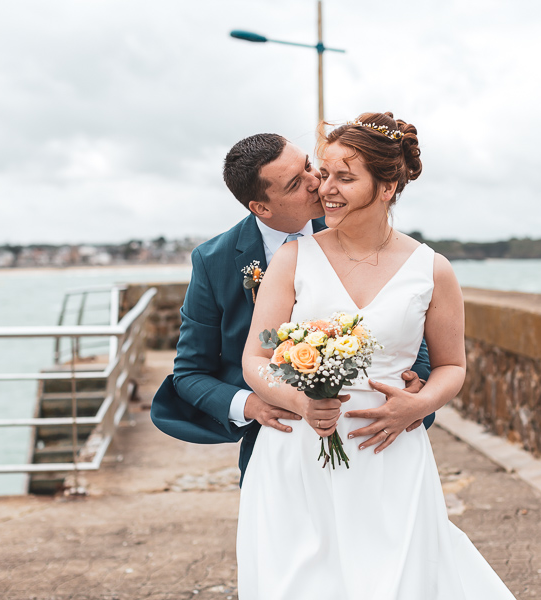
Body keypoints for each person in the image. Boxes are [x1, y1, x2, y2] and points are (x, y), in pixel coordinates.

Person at [239, 113, 516, 598]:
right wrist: (304, 402)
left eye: (345, 178)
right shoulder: (293, 258)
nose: (326, 188)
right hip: (299, 455)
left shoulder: (433, 270)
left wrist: (419, 404)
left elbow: (452, 366)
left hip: (388, 457)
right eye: (325, 173)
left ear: (387, 187)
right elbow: (257, 358)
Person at [150, 133, 435, 481]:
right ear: (262, 208)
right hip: (278, 442)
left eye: (309, 167)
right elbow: (190, 374)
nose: (318, 183)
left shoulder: (354, 225)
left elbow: (401, 316)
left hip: (375, 440)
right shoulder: (214, 261)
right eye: (296, 184)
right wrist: (253, 405)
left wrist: (418, 385)